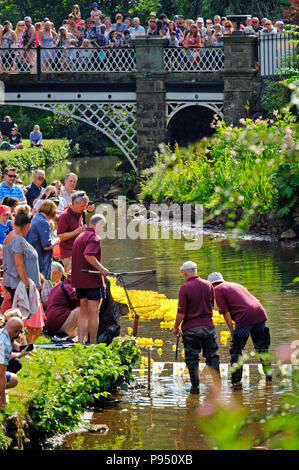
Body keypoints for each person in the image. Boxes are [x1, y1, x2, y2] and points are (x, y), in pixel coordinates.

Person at [208, 272, 272, 389]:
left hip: (245, 316)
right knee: (262, 349)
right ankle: (269, 379)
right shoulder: (235, 285)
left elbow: (226, 313)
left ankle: (236, 383)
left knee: (236, 350)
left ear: (212, 285)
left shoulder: (217, 290)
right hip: (260, 312)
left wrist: (232, 333)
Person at [173, 261, 220, 394]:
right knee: (212, 357)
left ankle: (195, 388)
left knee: (192, 358)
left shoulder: (185, 287)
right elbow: (212, 307)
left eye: (183, 273)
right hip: (208, 327)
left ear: (185, 272)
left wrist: (176, 327)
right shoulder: (208, 285)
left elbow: (181, 312)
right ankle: (218, 386)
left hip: (191, 329)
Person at [71, 214, 109, 345]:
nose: (102, 230)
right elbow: (88, 255)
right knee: (94, 312)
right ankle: (93, 343)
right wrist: (102, 269)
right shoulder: (94, 238)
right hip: (92, 280)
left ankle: (81, 342)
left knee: (83, 311)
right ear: (97, 225)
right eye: (103, 227)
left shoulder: (80, 236)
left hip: (79, 280)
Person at [26, 200, 60, 280]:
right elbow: (46, 245)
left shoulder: (34, 218)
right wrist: (56, 240)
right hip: (41, 260)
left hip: (32, 258)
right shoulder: (43, 222)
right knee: (43, 285)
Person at [57, 190, 88, 274]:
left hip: (79, 252)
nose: (84, 208)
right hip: (68, 255)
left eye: (85, 206)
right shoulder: (64, 216)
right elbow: (59, 237)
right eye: (82, 206)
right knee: (71, 281)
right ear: (75, 203)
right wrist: (76, 232)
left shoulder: (79, 213)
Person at [0, 317, 27, 409]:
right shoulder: (5, 343)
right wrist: (3, 400)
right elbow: (1, 375)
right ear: (18, 333)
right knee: (14, 379)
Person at [45, 273, 80, 338]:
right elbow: (81, 301)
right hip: (57, 324)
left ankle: (76, 334)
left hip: (49, 324)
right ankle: (84, 336)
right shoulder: (69, 287)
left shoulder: (59, 284)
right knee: (83, 309)